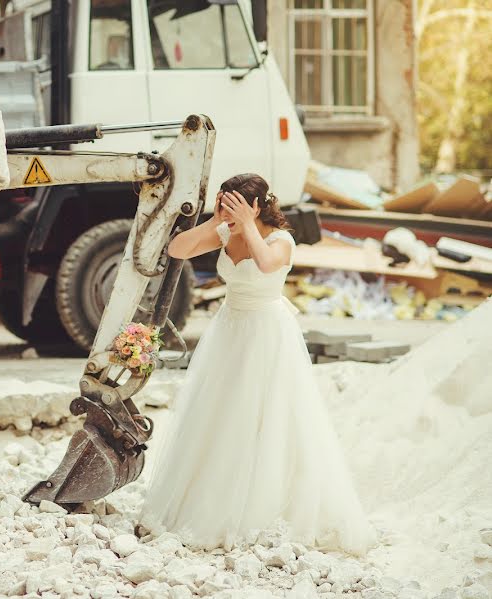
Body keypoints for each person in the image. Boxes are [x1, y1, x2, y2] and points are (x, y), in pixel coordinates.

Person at [138, 173, 374, 555]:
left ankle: (268, 508)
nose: (228, 214)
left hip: (267, 334)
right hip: (229, 331)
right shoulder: (223, 230)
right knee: (223, 414)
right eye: (223, 205)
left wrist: (247, 226)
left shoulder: (282, 240)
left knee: (272, 416)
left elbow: (265, 265)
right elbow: (177, 250)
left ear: (258, 206)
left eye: (235, 207)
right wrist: (216, 222)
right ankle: (211, 501)